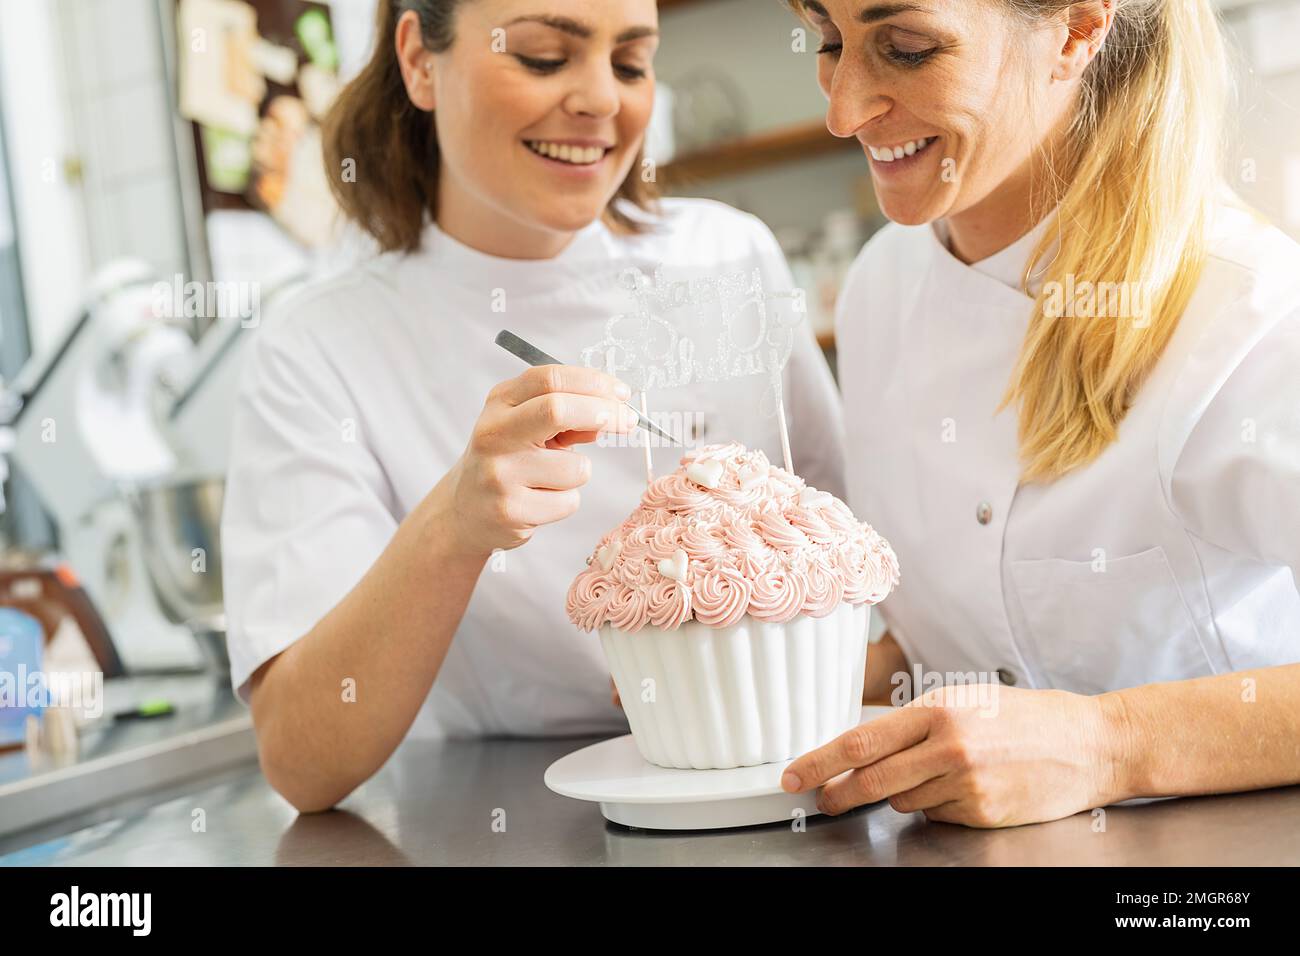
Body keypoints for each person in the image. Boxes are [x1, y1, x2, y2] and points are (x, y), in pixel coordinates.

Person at [221, 0, 847, 813]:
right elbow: (304, 760)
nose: (600, 100)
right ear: (419, 61)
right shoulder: (318, 344)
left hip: (769, 786)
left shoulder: (729, 257)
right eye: (545, 57)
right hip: (492, 819)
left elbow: (853, 572)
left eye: (630, 62)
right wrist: (453, 525)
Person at [780, 0, 1300, 827]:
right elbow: (966, 629)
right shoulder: (883, 283)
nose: (843, 110)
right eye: (830, 43)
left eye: (905, 49)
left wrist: (1110, 742)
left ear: (1076, 30)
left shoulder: (1251, 306)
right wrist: (764, 676)